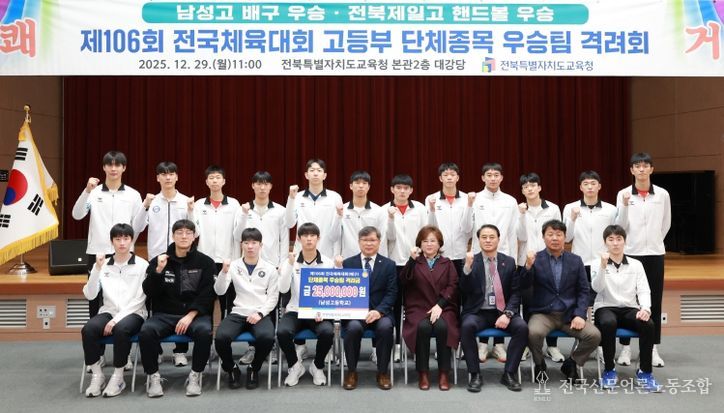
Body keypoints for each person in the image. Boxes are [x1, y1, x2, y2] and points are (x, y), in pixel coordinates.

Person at [72, 150, 143, 370]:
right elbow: (77, 214)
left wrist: (129, 243)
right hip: (98, 252)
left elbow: (139, 225)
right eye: (109, 165)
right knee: (96, 303)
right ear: (103, 168)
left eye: (117, 165)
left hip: (124, 253)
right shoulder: (93, 193)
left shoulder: (133, 194)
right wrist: (86, 191)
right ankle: (98, 354)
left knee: (125, 300)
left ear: (124, 168)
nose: (113, 168)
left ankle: (125, 353)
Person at [139, 219, 216, 398]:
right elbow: (149, 292)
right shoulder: (159, 261)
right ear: (173, 236)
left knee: (204, 332)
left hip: (194, 315)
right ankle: (153, 377)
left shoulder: (206, 262)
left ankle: (195, 375)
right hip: (164, 314)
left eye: (188, 233)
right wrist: (159, 271)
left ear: (194, 236)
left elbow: (208, 294)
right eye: (179, 232)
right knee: (146, 332)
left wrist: (191, 315)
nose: (184, 236)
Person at [521, 219, 601, 384]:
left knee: (594, 335)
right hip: (543, 313)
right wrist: (528, 266)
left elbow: (584, 290)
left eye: (559, 234)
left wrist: (580, 314)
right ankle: (539, 364)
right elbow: (523, 285)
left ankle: (572, 362)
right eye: (550, 234)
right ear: (543, 237)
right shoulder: (535, 259)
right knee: (532, 333)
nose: (555, 238)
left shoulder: (575, 260)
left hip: (569, 314)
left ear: (565, 237)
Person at [132, 161, 193, 366]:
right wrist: (145, 206)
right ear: (157, 177)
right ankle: (155, 348)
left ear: (177, 177)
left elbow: (194, 232)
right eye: (163, 174)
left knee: (181, 300)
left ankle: (180, 351)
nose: (168, 177)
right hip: (156, 258)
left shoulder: (185, 201)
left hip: (181, 258)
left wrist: (191, 211)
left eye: (171, 174)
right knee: (154, 301)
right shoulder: (152, 201)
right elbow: (137, 227)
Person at [615, 152, 671, 367]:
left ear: (651, 169)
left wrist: (655, 241)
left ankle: (652, 347)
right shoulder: (623, 194)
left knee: (654, 300)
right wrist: (625, 206)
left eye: (645, 165)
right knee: (629, 301)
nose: (641, 169)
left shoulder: (662, 194)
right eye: (637, 166)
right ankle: (626, 347)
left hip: (655, 253)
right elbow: (620, 226)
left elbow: (665, 223)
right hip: (631, 253)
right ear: (631, 170)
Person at [591, 225, 662, 392]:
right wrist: (602, 266)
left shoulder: (636, 265)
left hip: (629, 308)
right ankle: (609, 370)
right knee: (608, 323)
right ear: (605, 243)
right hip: (605, 307)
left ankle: (645, 372)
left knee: (648, 324)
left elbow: (644, 290)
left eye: (619, 239)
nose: (615, 243)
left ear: (625, 241)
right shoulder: (597, 263)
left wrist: (645, 309)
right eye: (611, 239)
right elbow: (597, 288)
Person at [81, 223, 148, 397]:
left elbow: (140, 299)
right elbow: (90, 294)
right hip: (109, 311)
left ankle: (118, 377)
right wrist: (96, 269)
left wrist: (116, 320)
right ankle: (97, 375)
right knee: (88, 329)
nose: (122, 243)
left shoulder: (142, 265)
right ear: (112, 242)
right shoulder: (102, 265)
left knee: (121, 329)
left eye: (126, 238)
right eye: (118, 239)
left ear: (132, 240)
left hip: (134, 313)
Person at [460, 224, 527, 392]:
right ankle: (475, 374)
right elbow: (463, 291)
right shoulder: (470, 261)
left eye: (492, 237)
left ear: (498, 239)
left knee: (522, 328)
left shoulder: (509, 262)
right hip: (478, 312)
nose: (488, 240)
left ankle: (509, 373)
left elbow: (516, 292)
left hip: (502, 311)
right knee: (467, 326)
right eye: (484, 237)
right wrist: (467, 268)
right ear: (478, 240)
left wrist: (508, 314)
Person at [233, 171, 288, 366]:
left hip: (273, 266)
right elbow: (237, 236)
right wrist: (243, 215)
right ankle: (252, 347)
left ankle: (270, 347)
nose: (262, 187)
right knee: (250, 303)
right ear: (253, 186)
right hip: (249, 265)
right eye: (258, 183)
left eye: (266, 184)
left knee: (271, 306)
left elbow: (284, 239)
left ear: (271, 186)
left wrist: (282, 263)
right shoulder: (244, 209)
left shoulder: (280, 210)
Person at [214, 228, 279, 390]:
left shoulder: (270, 268)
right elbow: (219, 291)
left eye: (254, 243)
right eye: (246, 243)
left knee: (267, 338)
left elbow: (273, 297)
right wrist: (223, 272)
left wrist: (260, 313)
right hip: (238, 312)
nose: (250, 246)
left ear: (260, 245)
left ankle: (254, 368)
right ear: (241, 245)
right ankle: (232, 368)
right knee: (220, 338)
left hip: (260, 313)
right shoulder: (233, 266)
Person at [466, 162, 517, 362]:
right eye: (489, 174)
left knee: (501, 298)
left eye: (496, 174)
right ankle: (482, 344)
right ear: (483, 177)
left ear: (501, 177)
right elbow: (468, 229)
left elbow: (512, 231)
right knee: (483, 296)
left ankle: (499, 345)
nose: (493, 178)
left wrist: (513, 257)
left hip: (504, 256)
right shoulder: (475, 199)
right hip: (480, 255)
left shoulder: (510, 201)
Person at [399, 226, 459, 391]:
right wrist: (411, 260)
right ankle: (423, 373)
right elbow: (403, 281)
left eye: (433, 241)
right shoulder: (415, 261)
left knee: (442, 327)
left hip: (443, 307)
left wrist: (440, 305)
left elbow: (453, 286)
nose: (429, 244)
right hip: (419, 308)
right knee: (423, 328)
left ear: (439, 244)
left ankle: (444, 373)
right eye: (425, 241)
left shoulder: (447, 263)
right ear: (420, 244)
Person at [277, 223, 335, 386]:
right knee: (282, 332)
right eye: (305, 236)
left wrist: (323, 310)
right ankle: (295, 366)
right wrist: (289, 265)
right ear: (299, 239)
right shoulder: (290, 261)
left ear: (318, 238)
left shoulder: (328, 263)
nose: (309, 239)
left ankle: (317, 366)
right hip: (295, 310)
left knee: (327, 332)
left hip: (318, 312)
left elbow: (332, 292)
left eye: (312, 235)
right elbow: (283, 289)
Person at [342, 226, 398, 390]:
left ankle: (382, 372)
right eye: (365, 240)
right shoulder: (348, 263)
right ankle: (351, 371)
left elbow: (392, 292)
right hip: (356, 314)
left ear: (379, 242)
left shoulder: (389, 264)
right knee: (352, 328)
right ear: (359, 242)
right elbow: (343, 291)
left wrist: (379, 311)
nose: (368, 243)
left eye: (372, 240)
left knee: (386, 328)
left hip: (381, 313)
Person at [517, 173, 563, 363]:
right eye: (525, 186)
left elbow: (558, 234)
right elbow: (520, 236)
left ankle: (552, 346)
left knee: (552, 303)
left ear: (539, 188)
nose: (530, 189)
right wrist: (521, 214)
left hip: (549, 261)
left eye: (533, 185)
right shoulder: (519, 209)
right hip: (526, 261)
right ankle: (528, 345)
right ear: (522, 190)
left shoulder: (552, 208)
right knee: (528, 305)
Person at [385, 174, 428, 362]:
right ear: (392, 189)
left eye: (406, 188)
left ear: (411, 190)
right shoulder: (384, 210)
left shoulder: (420, 209)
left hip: (416, 263)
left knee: (415, 305)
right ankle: (396, 345)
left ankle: (415, 344)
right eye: (398, 188)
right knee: (395, 307)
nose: (402, 191)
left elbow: (426, 235)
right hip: (393, 264)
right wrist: (390, 218)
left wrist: (420, 254)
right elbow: (388, 237)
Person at [191, 165, 240, 319]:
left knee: (228, 300)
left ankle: (227, 330)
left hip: (228, 259)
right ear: (206, 182)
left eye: (218, 177)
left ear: (224, 181)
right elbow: (195, 233)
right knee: (206, 298)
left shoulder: (234, 204)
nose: (214, 181)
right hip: (205, 259)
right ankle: (206, 330)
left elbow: (238, 232)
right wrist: (190, 211)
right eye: (211, 178)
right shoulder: (199, 204)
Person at [285, 158, 343, 258]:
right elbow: (290, 223)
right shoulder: (297, 196)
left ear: (324, 176)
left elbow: (336, 233)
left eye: (319, 170)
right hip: (302, 251)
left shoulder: (335, 197)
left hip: (326, 252)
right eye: (312, 170)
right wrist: (291, 198)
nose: (315, 174)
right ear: (306, 175)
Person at [425, 162, 474, 278]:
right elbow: (431, 229)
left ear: (457, 178)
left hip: (462, 253)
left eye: (452, 174)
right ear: (440, 178)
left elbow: (468, 228)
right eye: (446, 175)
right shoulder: (431, 198)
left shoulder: (467, 198)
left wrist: (469, 205)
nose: (449, 177)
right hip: (440, 253)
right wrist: (432, 209)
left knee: (463, 285)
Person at [339, 170, 387, 259]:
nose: (361, 186)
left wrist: (381, 260)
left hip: (371, 259)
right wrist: (337, 256)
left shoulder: (378, 210)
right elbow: (337, 237)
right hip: (348, 258)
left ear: (368, 187)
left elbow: (382, 238)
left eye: (364, 183)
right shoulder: (342, 210)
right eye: (357, 183)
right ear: (351, 186)